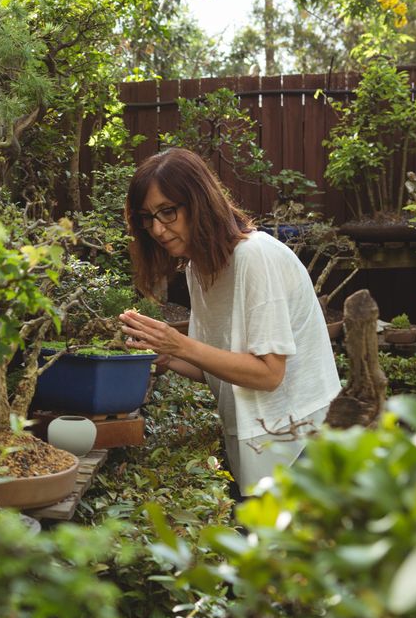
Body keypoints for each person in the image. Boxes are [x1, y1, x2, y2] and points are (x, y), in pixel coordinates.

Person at [118, 148, 340, 496]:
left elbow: (268, 374)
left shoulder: (254, 256)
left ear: (200, 202)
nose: (158, 229)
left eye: (168, 212)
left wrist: (179, 344)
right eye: (148, 217)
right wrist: (165, 357)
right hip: (258, 437)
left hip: (301, 442)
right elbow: (215, 365)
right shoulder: (198, 268)